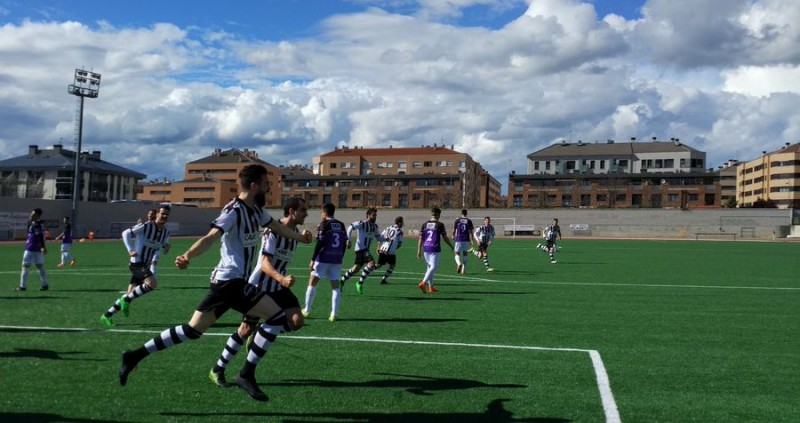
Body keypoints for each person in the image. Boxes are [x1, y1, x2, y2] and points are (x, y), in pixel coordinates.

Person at [117, 164, 312, 403]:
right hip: (231, 281)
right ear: (254, 186)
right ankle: (246, 374)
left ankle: (135, 355)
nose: (268, 187)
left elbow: (278, 227)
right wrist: (188, 255)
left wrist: (300, 238)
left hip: (224, 283)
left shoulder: (256, 211)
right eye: (265, 183)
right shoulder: (233, 211)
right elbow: (210, 237)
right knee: (278, 318)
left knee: (192, 330)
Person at [209, 197, 309, 388]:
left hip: (278, 287)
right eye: (303, 210)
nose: (306, 213)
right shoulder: (272, 231)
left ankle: (260, 335)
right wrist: (281, 278)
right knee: (245, 330)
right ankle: (218, 369)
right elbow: (264, 264)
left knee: (297, 321)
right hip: (261, 286)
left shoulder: (294, 232)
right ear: (291, 211)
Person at [100, 205, 171, 327]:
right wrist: (130, 249)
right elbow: (125, 233)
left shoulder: (165, 232)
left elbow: (164, 249)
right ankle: (125, 300)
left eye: (166, 214)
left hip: (146, 265)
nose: (164, 216)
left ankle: (106, 315)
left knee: (131, 293)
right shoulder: (146, 226)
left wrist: (166, 248)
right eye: (162, 213)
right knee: (152, 284)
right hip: (137, 263)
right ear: (157, 214)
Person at [302, 203, 347, 322]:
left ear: (325, 213)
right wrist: (340, 256)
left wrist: (312, 259)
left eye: (321, 212)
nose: (321, 214)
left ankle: (307, 310)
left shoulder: (324, 224)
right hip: (336, 259)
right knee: (335, 287)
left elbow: (320, 243)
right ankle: (334, 314)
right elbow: (344, 244)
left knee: (312, 282)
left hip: (323, 258)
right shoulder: (342, 225)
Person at [339, 207, 385, 295]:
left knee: (355, 269)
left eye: (376, 215)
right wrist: (348, 239)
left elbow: (378, 237)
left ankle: (341, 281)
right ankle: (359, 283)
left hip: (364, 250)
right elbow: (350, 227)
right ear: (368, 215)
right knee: (371, 264)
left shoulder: (375, 226)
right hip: (361, 249)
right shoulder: (362, 223)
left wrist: (386, 239)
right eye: (373, 215)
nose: (375, 217)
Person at [416, 207, 453, 294]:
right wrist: (451, 246)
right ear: (438, 215)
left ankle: (431, 287)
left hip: (426, 248)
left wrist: (419, 250)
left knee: (429, 268)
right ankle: (423, 283)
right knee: (434, 267)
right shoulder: (440, 224)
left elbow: (420, 238)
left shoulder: (424, 224)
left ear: (431, 214)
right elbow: (444, 237)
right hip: (435, 248)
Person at [14, 208, 48, 291]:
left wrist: (43, 246)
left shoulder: (36, 224)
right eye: (31, 214)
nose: (31, 216)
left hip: (31, 248)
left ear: (38, 216)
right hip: (37, 249)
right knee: (40, 266)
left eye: (33, 215)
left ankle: (22, 286)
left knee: (25, 266)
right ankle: (45, 284)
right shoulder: (39, 223)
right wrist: (42, 246)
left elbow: (39, 235)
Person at [374, 216, 404, 284]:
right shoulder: (399, 231)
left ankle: (367, 269)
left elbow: (380, 237)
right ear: (399, 223)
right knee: (392, 265)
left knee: (378, 265)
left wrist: (378, 247)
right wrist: (394, 248)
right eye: (402, 222)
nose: (402, 224)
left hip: (383, 249)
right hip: (391, 252)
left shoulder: (388, 228)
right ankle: (383, 279)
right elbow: (399, 244)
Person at [452, 209, 475, 274]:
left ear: (461, 213)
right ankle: (463, 269)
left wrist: (453, 235)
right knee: (465, 253)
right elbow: (471, 232)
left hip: (459, 239)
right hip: (466, 239)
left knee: (456, 253)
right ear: (466, 213)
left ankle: (459, 263)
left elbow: (454, 229)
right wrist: (471, 240)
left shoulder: (457, 220)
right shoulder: (469, 221)